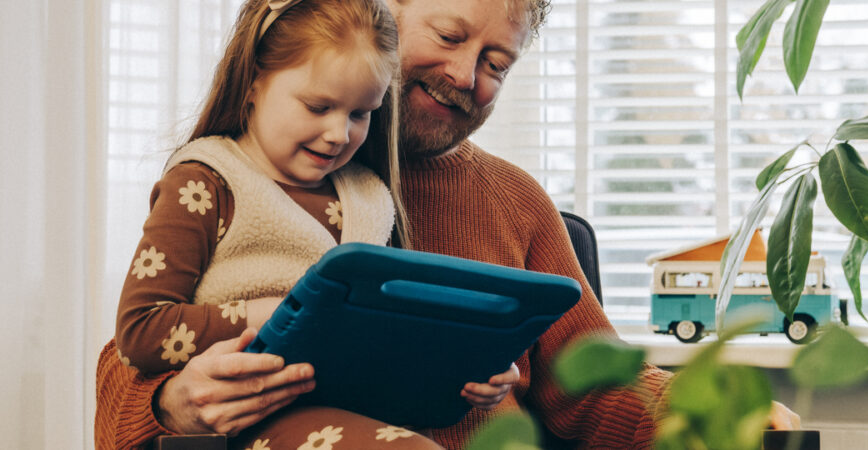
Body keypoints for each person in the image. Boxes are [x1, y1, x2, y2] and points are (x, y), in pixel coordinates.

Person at [96, 0, 799, 448]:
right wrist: (171, 402)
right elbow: (134, 351)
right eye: (449, 35)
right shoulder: (237, 180)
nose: (467, 75)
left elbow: (598, 381)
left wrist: (721, 415)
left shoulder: (512, 201)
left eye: (497, 63)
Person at [102, 0, 514, 448]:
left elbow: (392, 334)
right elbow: (139, 331)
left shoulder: (372, 196)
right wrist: (274, 312)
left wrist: (473, 361)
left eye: (361, 114)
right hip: (256, 421)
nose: (340, 133)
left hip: (370, 417)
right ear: (254, 81)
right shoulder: (205, 183)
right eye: (318, 106)